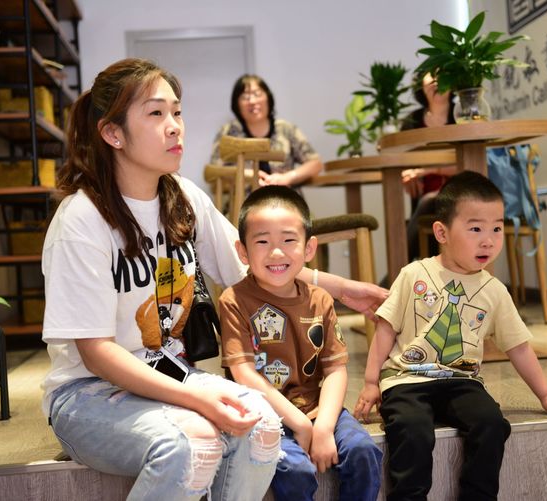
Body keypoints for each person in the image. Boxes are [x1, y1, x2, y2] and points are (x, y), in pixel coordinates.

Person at [41, 58, 388, 501]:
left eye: (177, 112)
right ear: (113, 133)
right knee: (193, 444)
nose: (175, 126)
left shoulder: (182, 197)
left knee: (263, 426)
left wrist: (342, 288)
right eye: (156, 113)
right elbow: (97, 353)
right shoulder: (81, 221)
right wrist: (198, 400)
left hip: (172, 372)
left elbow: (254, 267)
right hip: (88, 394)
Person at [353, 171, 547, 501]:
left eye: (497, 229)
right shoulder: (414, 273)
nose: (488, 240)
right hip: (406, 380)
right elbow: (385, 327)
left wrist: (546, 394)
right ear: (442, 232)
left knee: (491, 424)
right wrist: (370, 381)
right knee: (412, 429)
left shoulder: (494, 290)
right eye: (476, 228)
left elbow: (518, 348)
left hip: (462, 381)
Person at [219, 185, 383, 501]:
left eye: (289, 240)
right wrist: (299, 424)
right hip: (264, 414)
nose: (276, 253)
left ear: (309, 249)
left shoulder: (320, 299)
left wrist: (323, 427)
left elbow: (335, 370)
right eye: (262, 241)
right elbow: (244, 374)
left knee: (363, 451)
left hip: (317, 406)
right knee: (292, 468)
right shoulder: (234, 300)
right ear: (243, 251)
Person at [209, 74, 323, 189]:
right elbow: (212, 173)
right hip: (244, 198)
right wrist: (245, 174)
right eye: (245, 97)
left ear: (268, 98)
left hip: (284, 196)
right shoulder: (228, 132)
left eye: (257, 94)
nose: (252, 101)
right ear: (237, 104)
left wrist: (288, 177)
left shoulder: (286, 128)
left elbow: (315, 163)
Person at [401, 72, 457, 263]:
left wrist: (425, 170)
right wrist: (406, 175)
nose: (435, 79)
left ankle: (397, 270)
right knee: (427, 205)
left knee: (431, 201)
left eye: (442, 74)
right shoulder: (412, 121)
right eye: (430, 75)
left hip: (459, 191)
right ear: (421, 85)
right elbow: (400, 159)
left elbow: (468, 163)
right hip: (421, 198)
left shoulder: (462, 114)